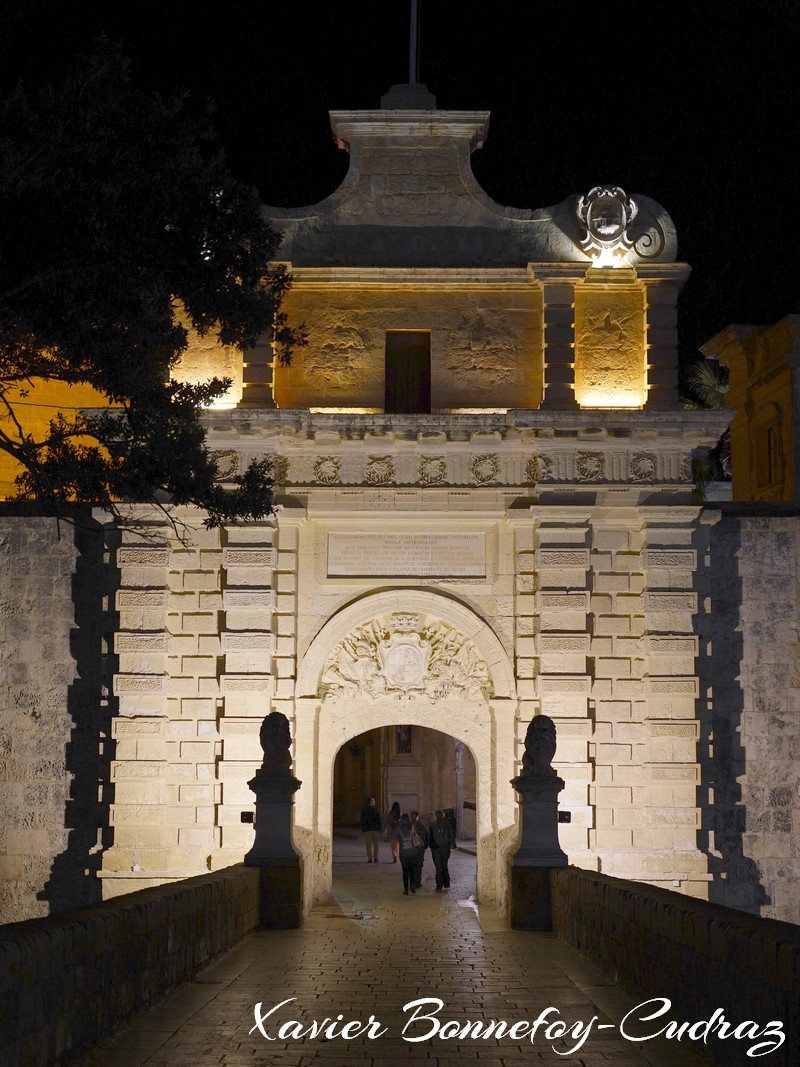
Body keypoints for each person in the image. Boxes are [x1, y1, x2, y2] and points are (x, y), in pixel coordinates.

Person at [395, 813, 424, 894]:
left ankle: (406, 889)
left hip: (404, 852)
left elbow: (397, 839)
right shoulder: (412, 827)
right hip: (413, 852)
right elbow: (416, 836)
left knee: (405, 871)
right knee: (413, 870)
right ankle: (412, 886)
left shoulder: (398, 829)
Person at [429, 809, 456, 891]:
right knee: (444, 865)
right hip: (445, 847)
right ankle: (446, 883)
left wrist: (432, 847)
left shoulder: (432, 824)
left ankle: (439, 885)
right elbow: (451, 834)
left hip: (437, 848)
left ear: (435, 816)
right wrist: (453, 845)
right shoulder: (447, 823)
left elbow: (430, 838)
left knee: (438, 866)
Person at [359, 796, 382, 862]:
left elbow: (362, 820)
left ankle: (369, 858)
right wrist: (380, 828)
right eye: (373, 801)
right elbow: (379, 820)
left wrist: (363, 829)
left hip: (367, 829)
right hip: (375, 829)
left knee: (368, 844)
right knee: (376, 844)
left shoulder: (364, 810)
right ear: (371, 802)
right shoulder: (376, 810)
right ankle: (375, 858)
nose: (374, 802)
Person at [409, 810, 428, 889]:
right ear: (417, 817)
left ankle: (412, 884)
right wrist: (425, 846)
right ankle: (417, 883)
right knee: (418, 866)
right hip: (419, 848)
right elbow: (426, 837)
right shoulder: (421, 826)